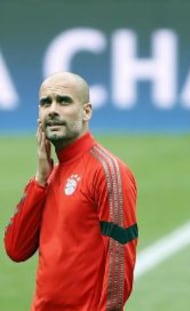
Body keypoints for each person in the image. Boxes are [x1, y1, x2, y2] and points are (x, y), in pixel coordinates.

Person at [3, 72, 139, 310]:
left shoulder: (108, 171)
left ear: (86, 111)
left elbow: (119, 260)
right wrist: (40, 179)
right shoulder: (49, 176)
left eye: (64, 101)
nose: (52, 110)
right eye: (46, 103)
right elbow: (16, 249)